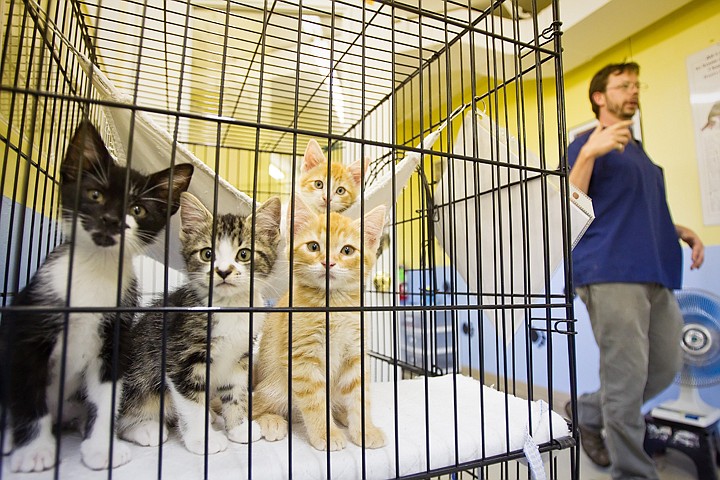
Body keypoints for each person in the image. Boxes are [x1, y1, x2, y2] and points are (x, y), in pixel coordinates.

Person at [566, 62, 705, 479]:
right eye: (622, 85)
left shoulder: (638, 150)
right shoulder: (584, 144)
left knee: (664, 365)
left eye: (635, 85)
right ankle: (633, 472)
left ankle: (587, 410)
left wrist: (681, 230)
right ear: (598, 97)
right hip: (610, 270)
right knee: (625, 381)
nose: (632, 91)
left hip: (655, 268)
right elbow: (568, 206)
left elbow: (637, 209)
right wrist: (590, 152)